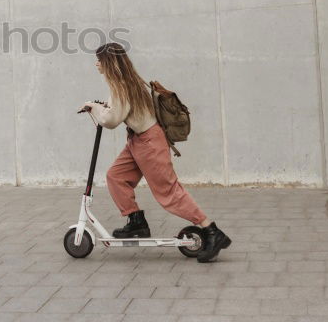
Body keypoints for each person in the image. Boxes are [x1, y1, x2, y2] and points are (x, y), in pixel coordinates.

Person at [81, 42, 231, 263]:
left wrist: (94, 107)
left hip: (149, 143)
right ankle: (136, 222)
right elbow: (118, 109)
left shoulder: (121, 86)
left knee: (168, 193)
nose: (96, 64)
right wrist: (101, 105)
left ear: (108, 63)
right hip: (137, 140)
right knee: (116, 176)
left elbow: (111, 120)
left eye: (99, 60)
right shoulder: (125, 81)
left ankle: (212, 231)